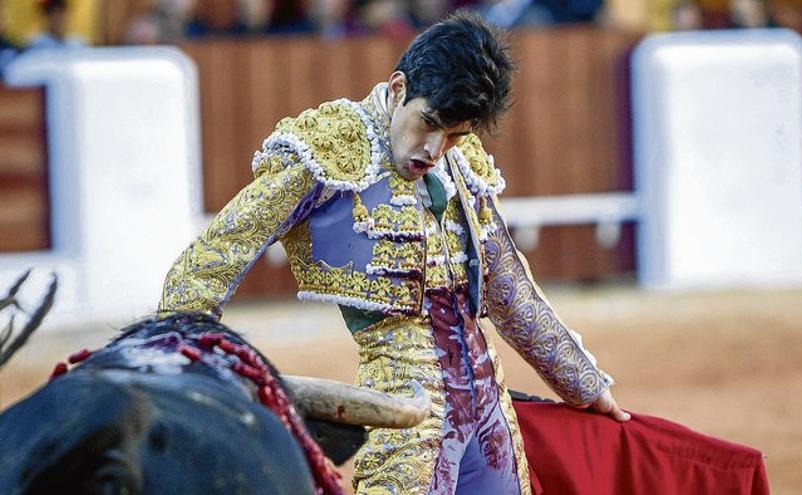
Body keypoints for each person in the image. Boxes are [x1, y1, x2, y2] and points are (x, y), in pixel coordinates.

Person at [159, 10, 628, 494]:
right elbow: (218, 252)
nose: (434, 148)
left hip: (492, 415)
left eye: (455, 135)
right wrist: (173, 355)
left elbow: (511, 293)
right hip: (405, 407)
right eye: (429, 123)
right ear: (399, 88)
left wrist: (586, 385)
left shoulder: (461, 165)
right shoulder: (333, 147)